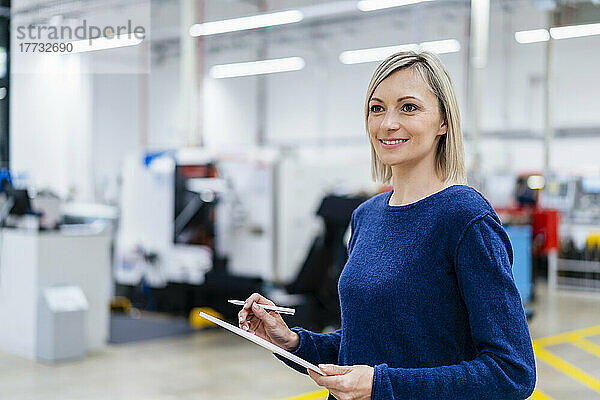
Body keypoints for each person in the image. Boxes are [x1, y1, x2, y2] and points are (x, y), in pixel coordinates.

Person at [238, 51, 536, 400]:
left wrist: (382, 385)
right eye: (377, 108)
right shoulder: (366, 215)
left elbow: (512, 372)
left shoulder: (465, 217)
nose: (387, 123)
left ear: (443, 122)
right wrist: (292, 341)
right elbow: (362, 343)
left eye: (408, 107)